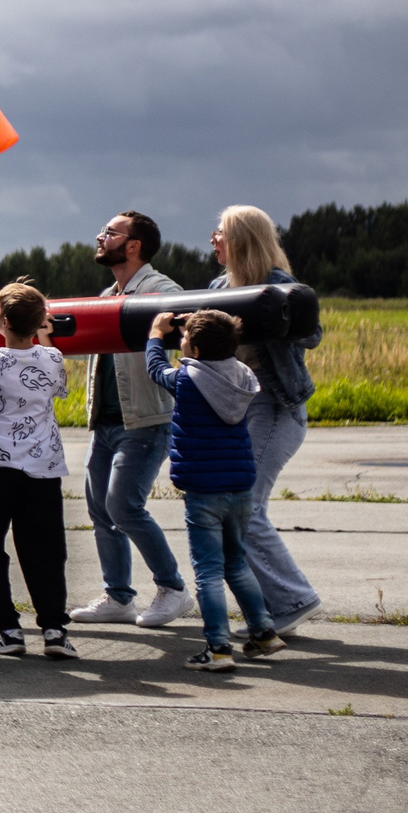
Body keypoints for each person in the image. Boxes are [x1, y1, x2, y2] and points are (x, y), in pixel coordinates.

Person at [69, 211, 195, 630]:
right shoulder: (107, 294)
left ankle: (173, 589)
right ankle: (119, 597)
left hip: (144, 419)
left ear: (134, 244)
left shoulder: (161, 292)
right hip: (104, 421)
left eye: (109, 232)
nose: (100, 237)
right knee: (100, 508)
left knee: (124, 505)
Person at [145, 309, 283, 671]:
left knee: (208, 571)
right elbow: (212, 347)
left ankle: (219, 647)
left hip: (203, 492)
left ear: (198, 350)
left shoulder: (188, 380)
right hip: (240, 489)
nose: (181, 342)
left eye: (186, 339)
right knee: (236, 564)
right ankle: (264, 632)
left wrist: (155, 335)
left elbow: (155, 369)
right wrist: (203, 323)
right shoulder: (242, 376)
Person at [208, 205, 324, 636]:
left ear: (241, 238)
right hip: (237, 407)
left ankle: (294, 600)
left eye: (219, 233)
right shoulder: (220, 286)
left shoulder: (279, 284)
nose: (213, 241)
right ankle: (273, 612)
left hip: (275, 406)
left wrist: (273, 314)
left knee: (242, 506)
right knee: (241, 509)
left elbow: (312, 334)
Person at [0, 282, 77, 660]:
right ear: (39, 322)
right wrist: (42, 338)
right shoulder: (52, 359)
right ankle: (54, 628)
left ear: (3, 321)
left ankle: (8, 628)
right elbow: (59, 388)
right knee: (46, 549)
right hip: (44, 468)